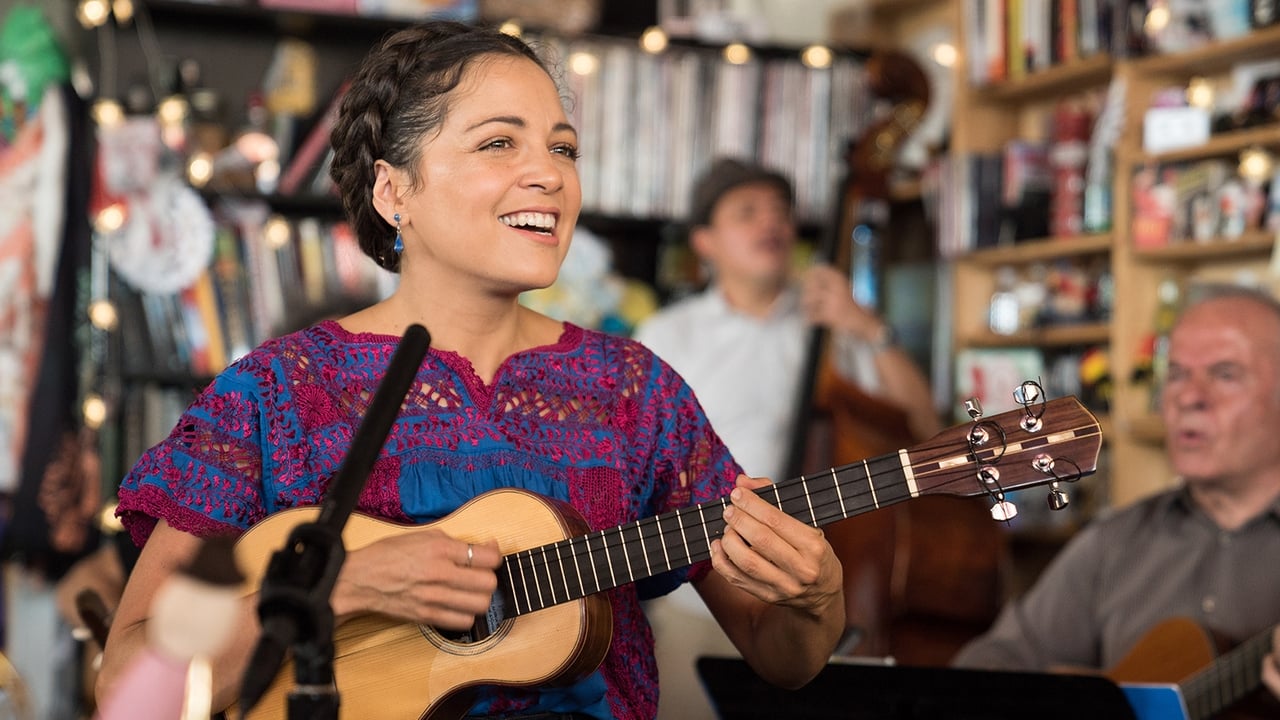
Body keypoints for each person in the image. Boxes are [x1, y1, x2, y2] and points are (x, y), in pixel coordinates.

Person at [93, 21, 845, 720]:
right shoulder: (277, 391)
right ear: (394, 191)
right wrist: (348, 585)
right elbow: (132, 685)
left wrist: (816, 599)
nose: (548, 175)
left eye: (563, 148)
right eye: (498, 145)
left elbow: (782, 657)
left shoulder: (634, 389)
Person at [632, 157, 943, 719]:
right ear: (705, 242)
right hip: (696, 596)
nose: (770, 224)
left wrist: (867, 327)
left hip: (817, 592)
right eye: (747, 213)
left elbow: (924, 424)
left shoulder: (831, 327)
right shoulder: (665, 336)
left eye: (780, 211)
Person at [953, 284, 1280, 708]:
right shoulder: (1114, 543)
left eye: (1225, 374)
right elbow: (982, 669)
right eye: (1177, 374)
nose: (1187, 397)